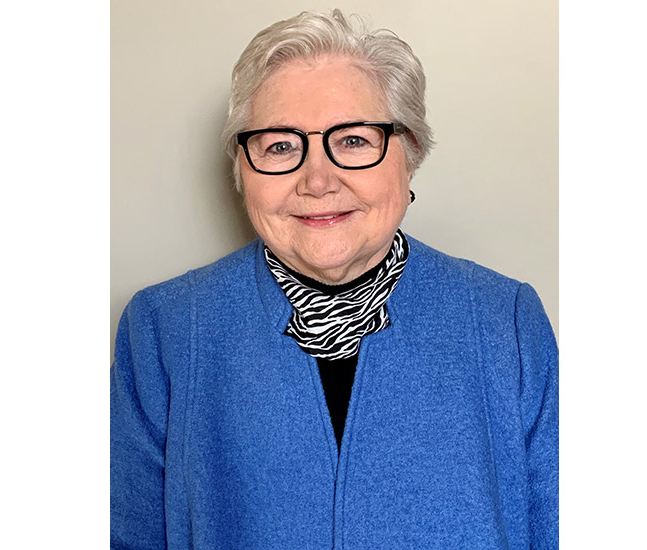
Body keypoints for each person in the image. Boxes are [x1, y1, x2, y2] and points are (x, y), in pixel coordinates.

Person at [111, 9, 558, 550]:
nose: (318, 181)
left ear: (410, 154)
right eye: (280, 145)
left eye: (353, 141)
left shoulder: (508, 322)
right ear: (242, 168)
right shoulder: (163, 331)